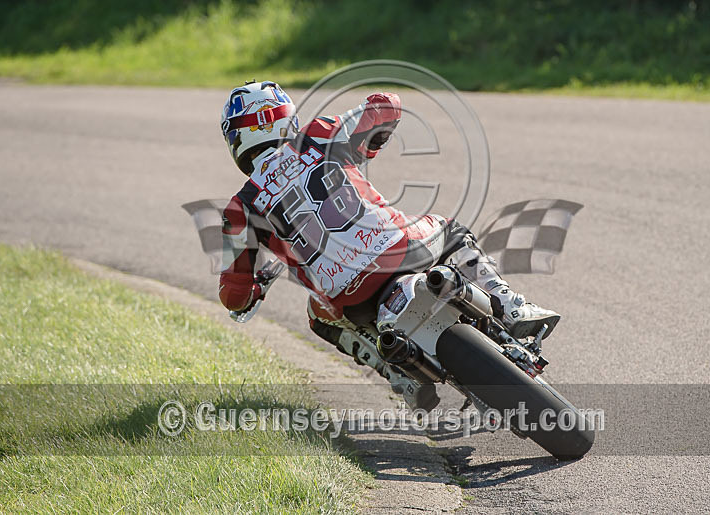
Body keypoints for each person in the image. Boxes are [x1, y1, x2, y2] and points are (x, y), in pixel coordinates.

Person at [218, 80, 559, 410]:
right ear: (281, 115)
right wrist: (369, 142)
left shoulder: (240, 209)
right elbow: (387, 107)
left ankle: (400, 376)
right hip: (400, 248)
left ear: (240, 137)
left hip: (348, 299)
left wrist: (253, 290)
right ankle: (510, 307)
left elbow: (234, 295)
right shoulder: (318, 134)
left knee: (317, 316)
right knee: (449, 229)